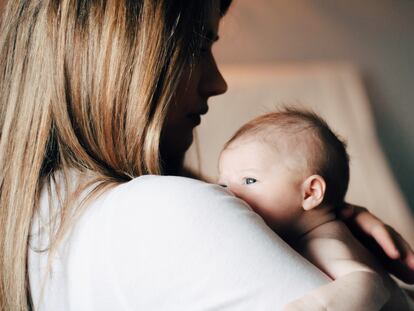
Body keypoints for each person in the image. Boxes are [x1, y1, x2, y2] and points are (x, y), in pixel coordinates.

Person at [0, 1, 413, 310]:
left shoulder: (36, 220)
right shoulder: (166, 209)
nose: (217, 83)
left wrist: (327, 219)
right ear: (114, 57)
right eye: (197, 46)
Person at [218, 109, 412, 310]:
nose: (229, 193)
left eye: (249, 180)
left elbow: (370, 283)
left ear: (310, 193)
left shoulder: (323, 242)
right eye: (223, 185)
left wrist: (315, 306)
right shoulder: (314, 232)